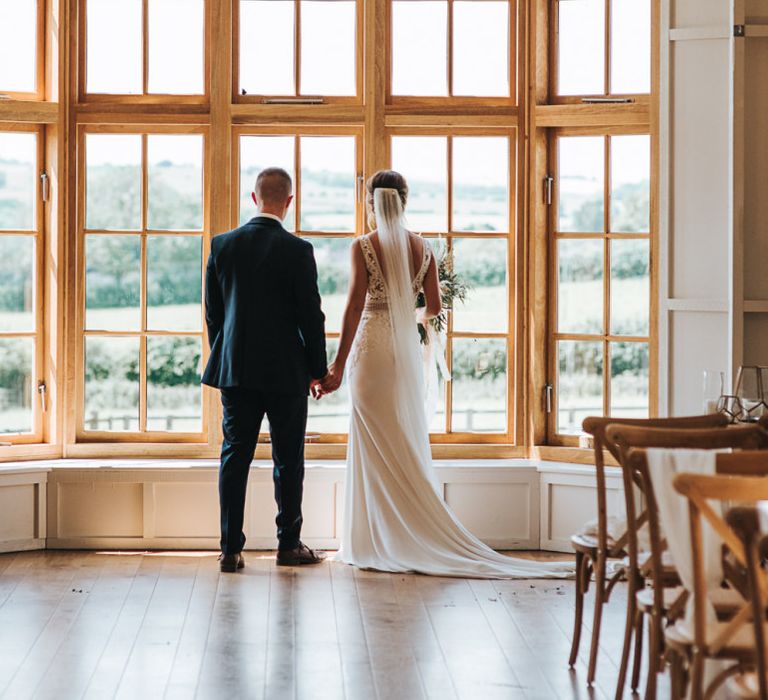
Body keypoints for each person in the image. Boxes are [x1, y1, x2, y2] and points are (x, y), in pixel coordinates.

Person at [317, 170, 573, 579]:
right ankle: (403, 532)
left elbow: (352, 308)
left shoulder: (363, 247)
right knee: (401, 438)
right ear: (404, 201)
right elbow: (434, 307)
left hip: (370, 355)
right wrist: (408, 316)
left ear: (370, 203)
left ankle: (370, 539)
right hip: (403, 351)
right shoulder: (425, 249)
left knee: (372, 442)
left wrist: (336, 364)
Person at [202, 167, 328, 572]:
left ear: (253, 199)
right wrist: (318, 369)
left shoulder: (222, 246)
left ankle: (229, 549)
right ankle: (288, 545)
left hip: (236, 369)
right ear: (289, 202)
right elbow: (312, 316)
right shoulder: (298, 250)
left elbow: (214, 316)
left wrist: (228, 354)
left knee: (234, 457)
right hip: (287, 372)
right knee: (288, 459)